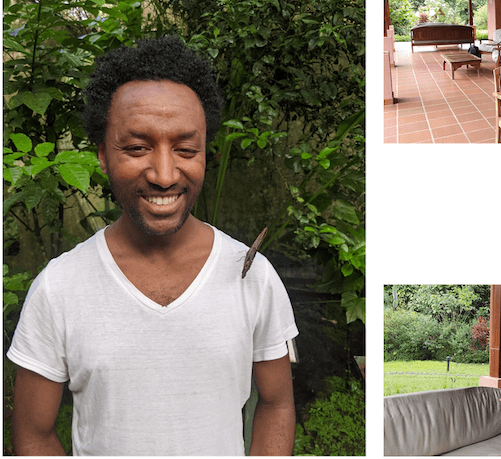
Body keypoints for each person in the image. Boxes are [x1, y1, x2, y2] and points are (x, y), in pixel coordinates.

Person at [7, 37, 299, 455]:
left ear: (204, 155)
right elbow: (34, 434)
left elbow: (276, 402)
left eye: (185, 149)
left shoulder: (252, 275)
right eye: (137, 148)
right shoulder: (60, 287)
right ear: (104, 155)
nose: (164, 174)